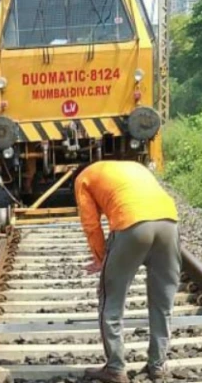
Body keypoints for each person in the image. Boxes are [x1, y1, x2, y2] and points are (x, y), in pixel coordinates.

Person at [74, 161, 180, 383]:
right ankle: (158, 365)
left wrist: (101, 258)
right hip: (169, 223)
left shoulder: (83, 178)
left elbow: (91, 225)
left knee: (111, 300)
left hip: (131, 223)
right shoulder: (134, 166)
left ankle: (115, 368)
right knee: (163, 301)